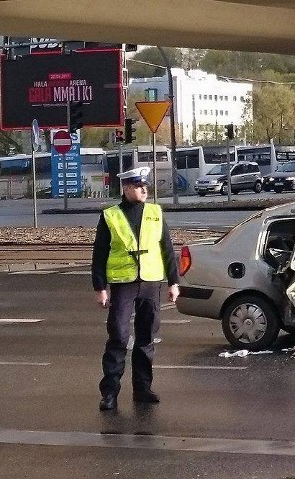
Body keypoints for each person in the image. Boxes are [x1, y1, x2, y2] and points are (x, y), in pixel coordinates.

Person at [92, 166, 180, 411]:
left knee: (146, 338)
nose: (144, 189)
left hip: (151, 282)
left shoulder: (155, 212)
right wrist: (100, 287)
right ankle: (109, 392)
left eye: (145, 186)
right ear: (126, 188)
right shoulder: (111, 215)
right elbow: (99, 253)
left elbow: (167, 249)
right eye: (139, 186)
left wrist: (174, 282)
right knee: (119, 336)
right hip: (123, 284)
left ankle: (142, 388)